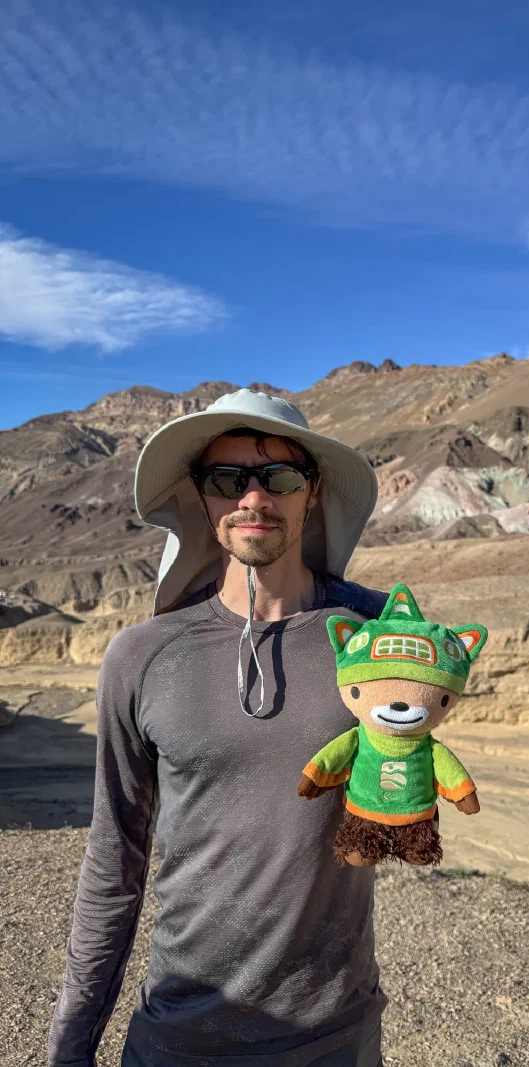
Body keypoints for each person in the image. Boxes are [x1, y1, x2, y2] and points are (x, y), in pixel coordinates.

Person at [48, 389, 390, 1067]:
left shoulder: (375, 638)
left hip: (335, 1041)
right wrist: (71, 1044)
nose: (254, 499)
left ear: (313, 492)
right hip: (179, 1041)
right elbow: (115, 866)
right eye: (228, 478)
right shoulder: (142, 656)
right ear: (202, 497)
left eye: (280, 477)